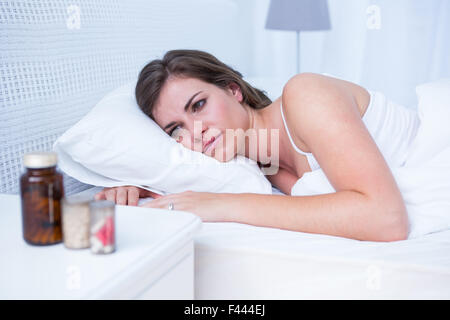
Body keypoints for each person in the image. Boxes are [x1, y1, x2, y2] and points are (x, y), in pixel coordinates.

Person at [94, 49, 447, 242]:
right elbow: (174, 171)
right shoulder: (260, 161)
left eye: (198, 105)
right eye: (176, 129)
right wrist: (137, 183)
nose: (195, 132)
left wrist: (222, 205)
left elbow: (385, 219)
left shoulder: (305, 95)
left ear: (233, 89)